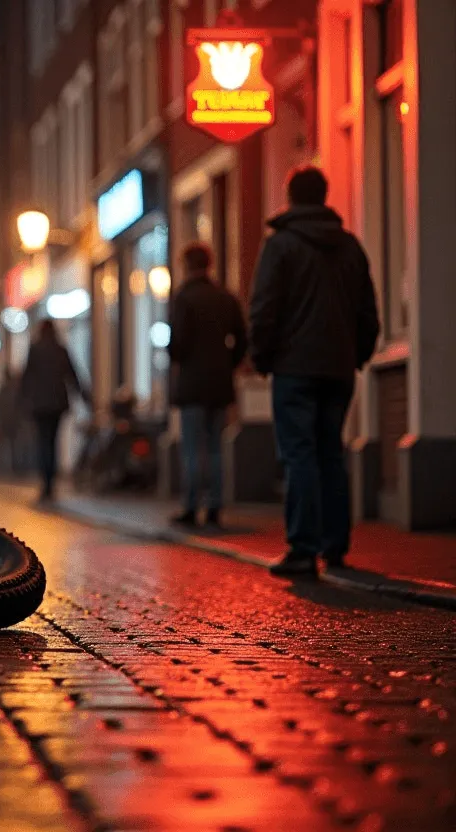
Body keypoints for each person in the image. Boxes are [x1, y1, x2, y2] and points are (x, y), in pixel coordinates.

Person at [249, 166, 380, 576]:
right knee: (330, 453)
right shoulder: (350, 247)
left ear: (290, 197)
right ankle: (335, 545)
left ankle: (303, 548)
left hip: (294, 368)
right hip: (338, 369)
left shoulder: (281, 246)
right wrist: (354, 356)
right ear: (325, 196)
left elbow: (264, 308)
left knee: (300, 454)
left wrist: (263, 357)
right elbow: (367, 313)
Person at [167, 242, 247, 529]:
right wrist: (228, 364)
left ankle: (191, 507)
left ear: (187, 265)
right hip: (220, 383)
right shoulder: (225, 298)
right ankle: (215, 508)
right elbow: (242, 338)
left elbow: (177, 344)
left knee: (192, 448)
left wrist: (181, 358)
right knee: (215, 447)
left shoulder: (184, 298)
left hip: (192, 385)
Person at [18, 319, 88, 502]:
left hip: (40, 406)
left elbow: (26, 377)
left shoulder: (35, 350)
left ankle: (46, 484)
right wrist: (84, 396)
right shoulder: (60, 350)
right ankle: (51, 483)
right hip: (57, 405)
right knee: (53, 442)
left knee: (43, 443)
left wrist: (23, 400)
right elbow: (72, 374)